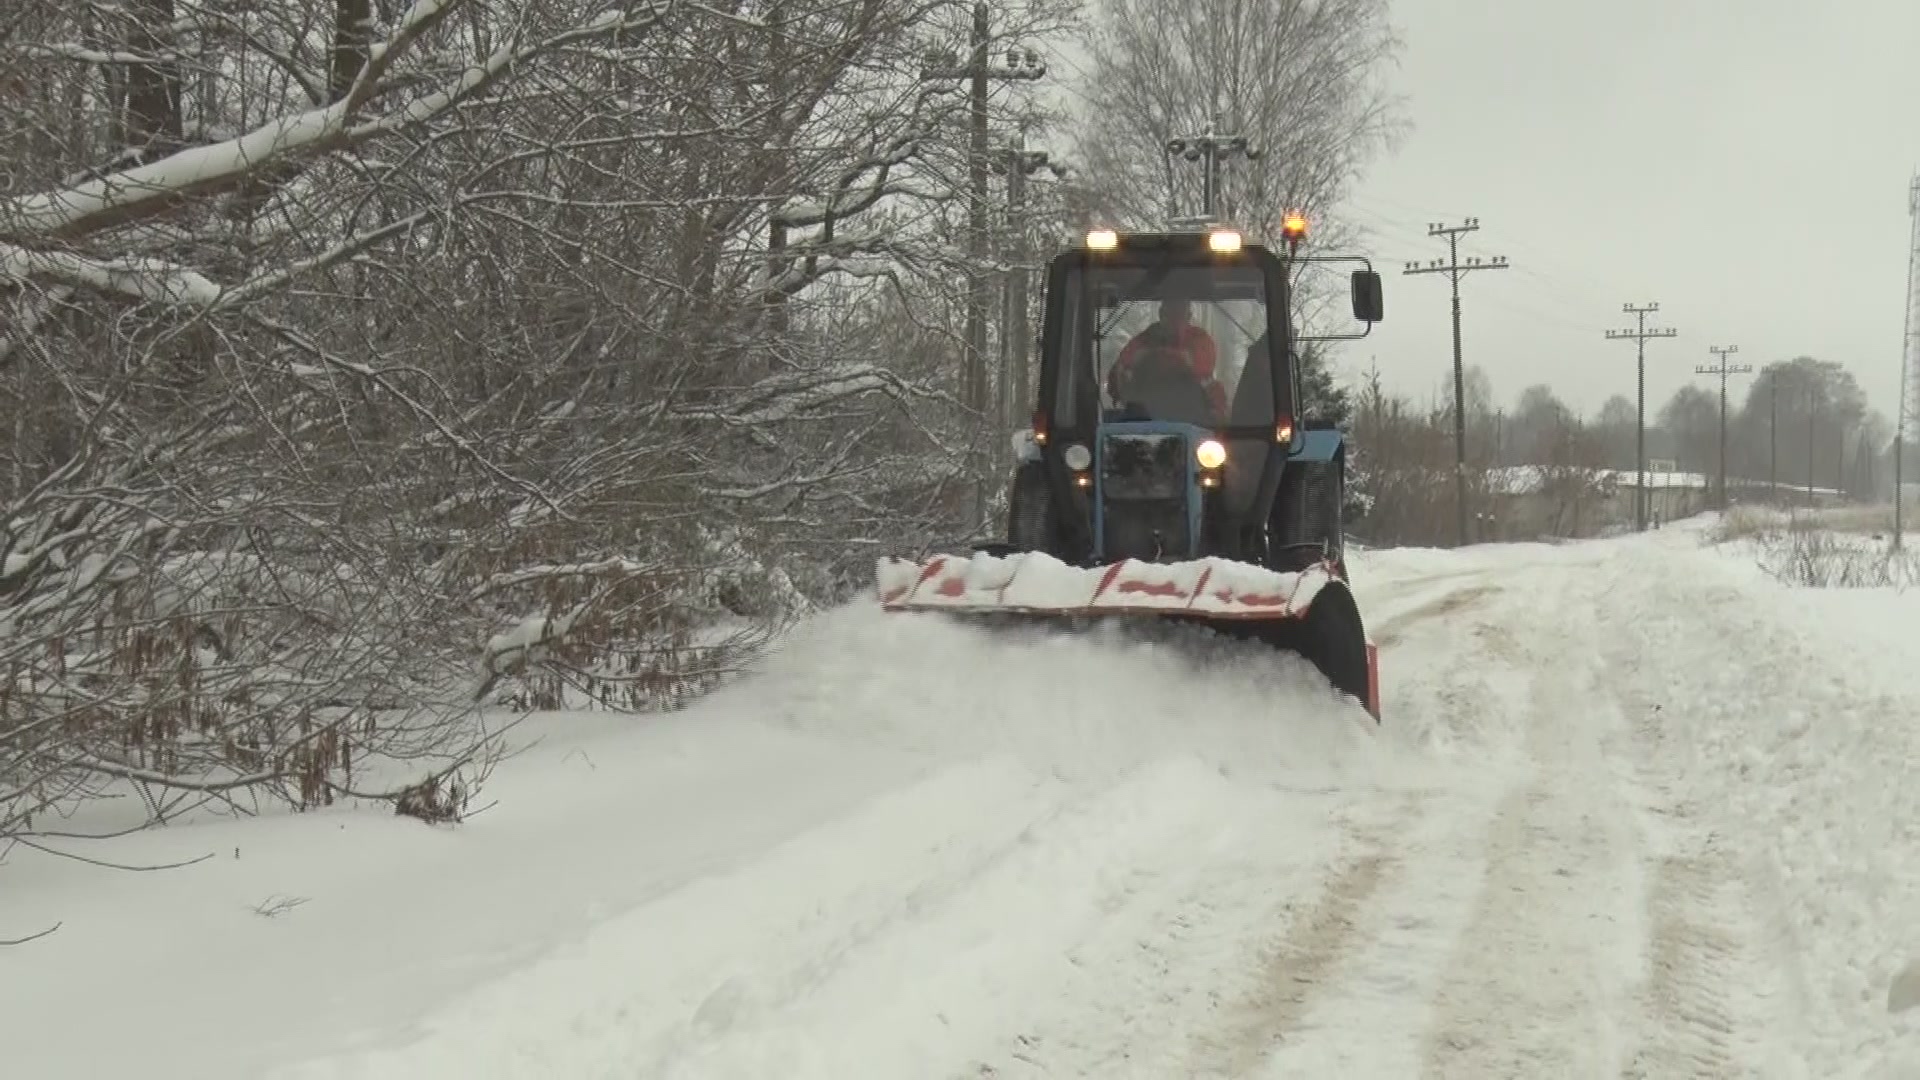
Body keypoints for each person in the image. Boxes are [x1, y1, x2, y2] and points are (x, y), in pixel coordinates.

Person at [1105, 298, 1228, 419]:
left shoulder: (1198, 338)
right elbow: (1119, 371)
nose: (1174, 320)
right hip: (1144, 408)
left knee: (1216, 396)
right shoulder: (1144, 339)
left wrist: (1157, 355)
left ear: (1189, 316)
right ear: (1160, 314)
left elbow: (1203, 368)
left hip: (1191, 406)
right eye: (1168, 314)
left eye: (1179, 315)